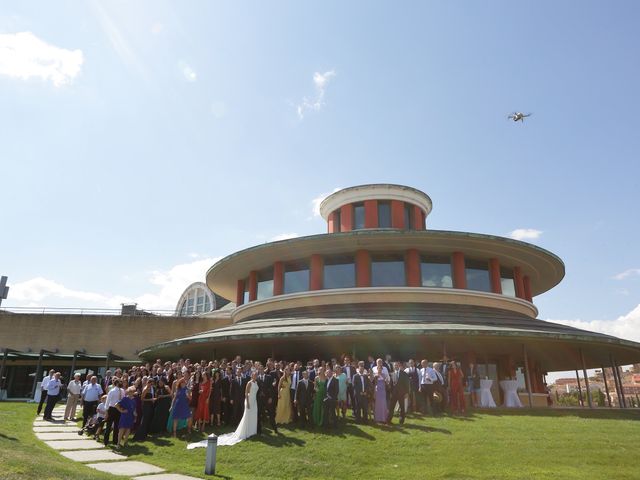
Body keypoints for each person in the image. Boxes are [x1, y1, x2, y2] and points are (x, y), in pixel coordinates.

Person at [187, 370, 259, 449]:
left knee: (253, 416)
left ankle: (252, 430)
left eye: (256, 375)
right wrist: (248, 402)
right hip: (249, 401)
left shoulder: (256, 383)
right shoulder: (249, 382)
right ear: (252, 376)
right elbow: (246, 393)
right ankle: (246, 431)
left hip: (254, 401)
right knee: (247, 416)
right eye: (254, 375)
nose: (255, 376)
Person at [256, 365, 277, 434]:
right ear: (258, 370)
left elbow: (271, 388)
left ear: (264, 369)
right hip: (259, 399)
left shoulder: (269, 377)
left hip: (267, 398)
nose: (261, 370)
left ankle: (275, 428)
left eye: (262, 369)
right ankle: (259, 430)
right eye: (259, 369)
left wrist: (271, 397)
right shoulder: (256, 378)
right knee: (258, 414)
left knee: (271, 413)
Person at [103, 378, 125, 446]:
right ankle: (106, 441)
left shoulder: (122, 391)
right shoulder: (112, 391)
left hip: (118, 409)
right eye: (119, 382)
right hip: (112, 408)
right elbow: (108, 401)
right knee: (109, 425)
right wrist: (106, 411)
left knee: (116, 426)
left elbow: (123, 399)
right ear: (116, 383)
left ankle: (115, 441)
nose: (120, 383)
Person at [372, 359, 389, 423]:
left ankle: (384, 418)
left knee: (383, 403)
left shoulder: (384, 375)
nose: (379, 370)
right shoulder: (376, 376)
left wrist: (386, 381)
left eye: (380, 369)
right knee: (377, 404)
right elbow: (375, 384)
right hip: (377, 390)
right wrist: (374, 391)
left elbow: (386, 383)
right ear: (377, 369)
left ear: (382, 369)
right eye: (378, 369)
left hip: (383, 390)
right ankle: (378, 418)